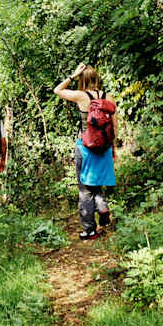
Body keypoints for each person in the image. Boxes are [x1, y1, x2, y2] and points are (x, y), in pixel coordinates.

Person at [54, 63, 118, 240]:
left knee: (85, 188)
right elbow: (115, 126)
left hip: (85, 147)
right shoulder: (109, 97)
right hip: (104, 147)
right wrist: (113, 147)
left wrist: (73, 75)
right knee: (95, 183)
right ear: (97, 78)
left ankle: (89, 230)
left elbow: (57, 90)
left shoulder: (81, 96)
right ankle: (102, 206)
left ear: (83, 80)